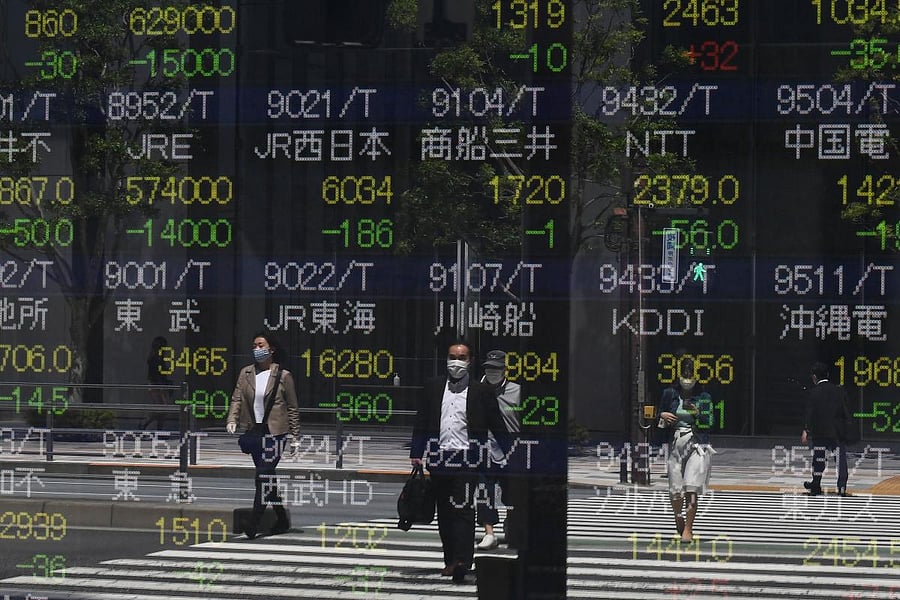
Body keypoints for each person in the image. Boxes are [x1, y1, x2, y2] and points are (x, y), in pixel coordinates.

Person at [409, 341, 511, 583]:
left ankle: (463, 561)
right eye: (452, 356)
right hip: (440, 457)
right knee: (444, 513)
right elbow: (422, 421)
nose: (456, 361)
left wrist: (511, 450)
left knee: (464, 511)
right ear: (446, 359)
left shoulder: (481, 391)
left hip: (467, 458)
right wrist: (417, 452)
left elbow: (496, 423)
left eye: (462, 357)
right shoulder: (433, 387)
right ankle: (450, 559)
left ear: (470, 361)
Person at [226, 331, 301, 538]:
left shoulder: (283, 376)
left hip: (276, 433)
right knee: (267, 477)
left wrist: (294, 436)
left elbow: (293, 407)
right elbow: (237, 398)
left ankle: (253, 525)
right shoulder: (246, 373)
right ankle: (282, 519)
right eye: (254, 346)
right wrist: (232, 419)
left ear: (271, 349)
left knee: (263, 476)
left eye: (260, 345)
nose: (256, 349)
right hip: (255, 432)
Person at [657, 359, 713, 543]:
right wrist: (662, 414)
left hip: (697, 444)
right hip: (676, 442)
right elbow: (659, 413)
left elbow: (710, 423)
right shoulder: (669, 394)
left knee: (691, 487)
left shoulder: (704, 397)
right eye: (685, 375)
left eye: (691, 376)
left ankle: (688, 528)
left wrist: (698, 413)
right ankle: (677, 517)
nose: (687, 379)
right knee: (675, 489)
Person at [475, 349, 521, 551]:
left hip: (511, 451)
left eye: (497, 369)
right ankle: (489, 533)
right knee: (485, 493)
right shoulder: (475, 391)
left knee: (513, 495)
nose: (493, 372)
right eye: (489, 368)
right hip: (484, 449)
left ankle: (512, 526)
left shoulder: (517, 392)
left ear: (504, 370)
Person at [801, 361, 850, 496]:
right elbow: (845, 411)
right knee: (840, 460)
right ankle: (841, 487)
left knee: (819, 459)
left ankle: (816, 484)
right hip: (837, 431)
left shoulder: (814, 392)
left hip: (820, 432)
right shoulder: (839, 391)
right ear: (827, 375)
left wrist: (806, 430)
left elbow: (810, 413)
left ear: (814, 377)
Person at [141, 336, 172, 430]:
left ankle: (158, 428)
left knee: (163, 409)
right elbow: (156, 374)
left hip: (159, 384)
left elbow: (161, 372)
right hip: (156, 385)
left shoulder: (158, 358)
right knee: (161, 408)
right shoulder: (154, 359)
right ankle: (145, 423)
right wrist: (161, 386)